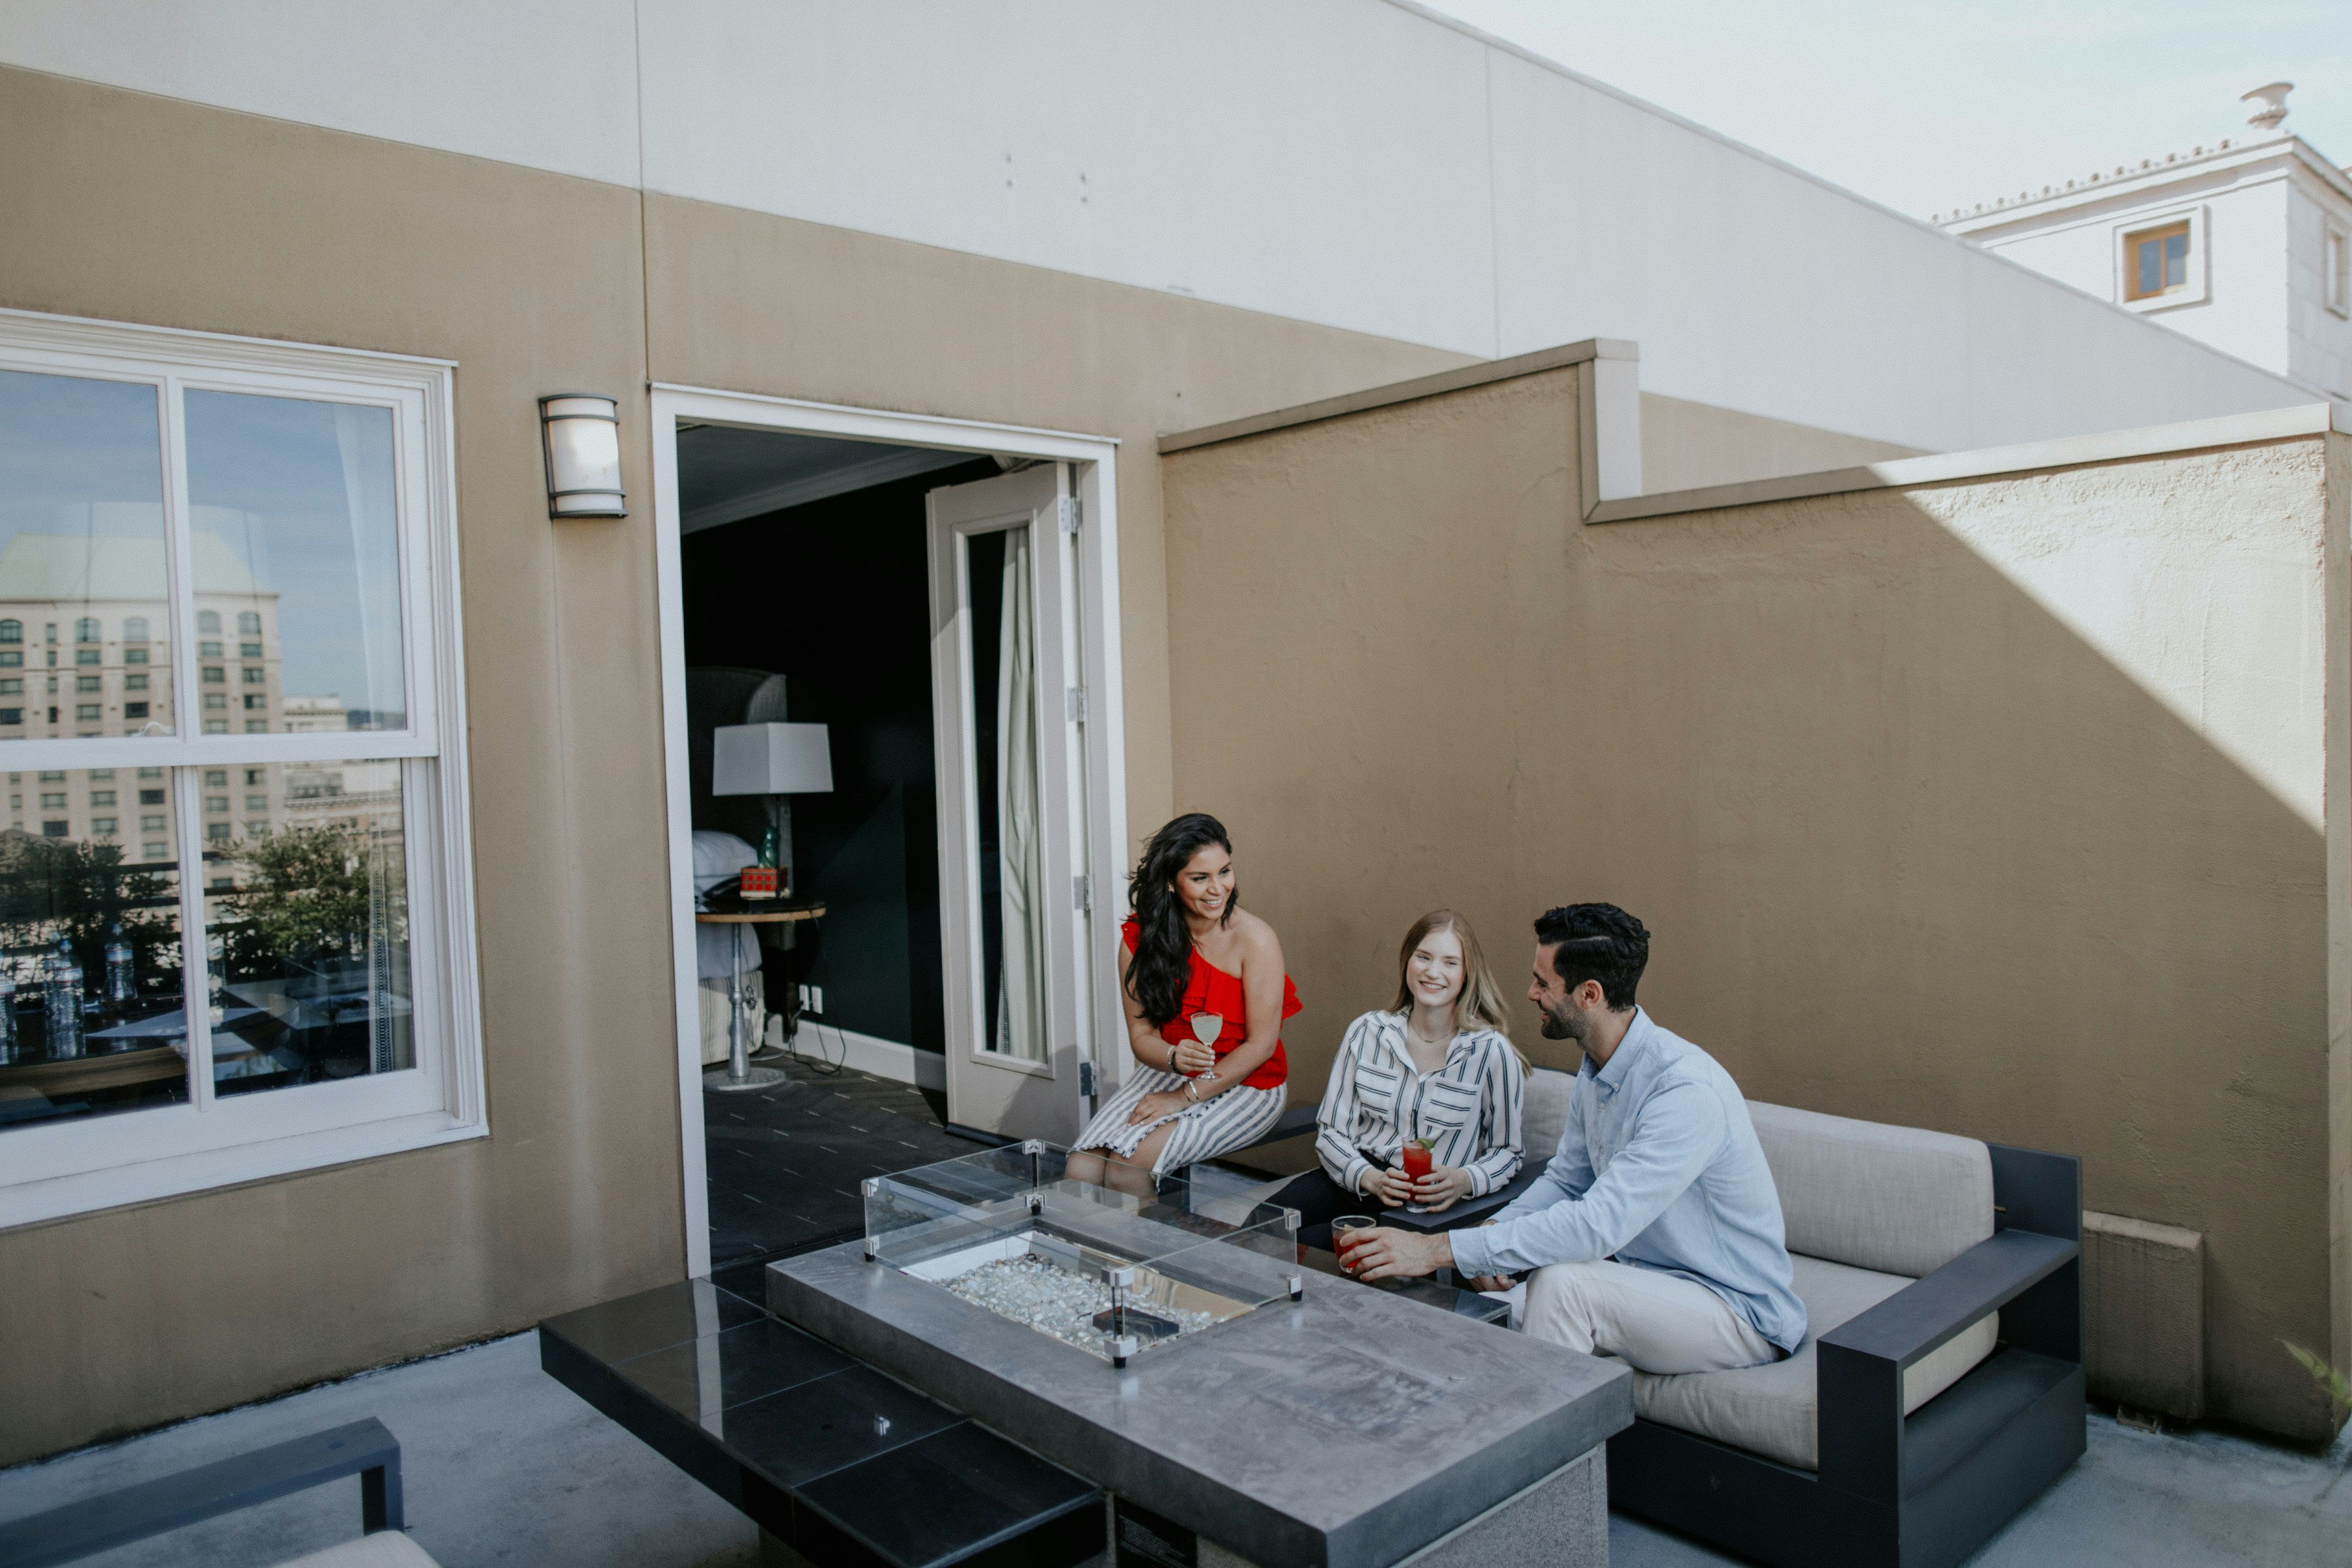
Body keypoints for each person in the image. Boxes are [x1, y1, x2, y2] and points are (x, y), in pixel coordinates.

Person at [1348, 903, 1806, 1375]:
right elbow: (1566, 1182)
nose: (1531, 994)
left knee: (1561, 1285)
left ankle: (1543, 1425)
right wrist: (1490, 1234)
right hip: (1639, 1282)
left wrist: (1437, 1249)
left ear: (1589, 994)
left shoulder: (1685, 1092)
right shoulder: (1598, 1069)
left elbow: (1598, 1224)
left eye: (1543, 983)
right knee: (1472, 1319)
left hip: (1733, 1310)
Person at [1067, 813, 1298, 1195]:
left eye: (1225, 872)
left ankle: (1145, 1238)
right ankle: (1099, 1239)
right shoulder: (1140, 940)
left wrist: (1182, 1098)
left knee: (1129, 1167)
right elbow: (1142, 1036)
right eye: (1200, 878)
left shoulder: (1256, 939)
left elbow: (1261, 1046)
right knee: (1082, 1169)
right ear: (1171, 883)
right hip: (1170, 1072)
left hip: (1249, 1083)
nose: (1217, 889)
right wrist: (1173, 1058)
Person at [1273, 909, 1524, 1251]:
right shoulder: (1367, 1031)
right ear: (1407, 961)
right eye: (1424, 957)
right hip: (1356, 1176)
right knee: (1260, 1229)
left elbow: (1508, 1151)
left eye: (1450, 963)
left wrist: (1464, 1181)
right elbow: (1332, 1130)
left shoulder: (1490, 1051)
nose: (1433, 972)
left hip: (1423, 1207)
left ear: (1467, 973)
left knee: (1310, 1249)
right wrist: (1369, 1177)